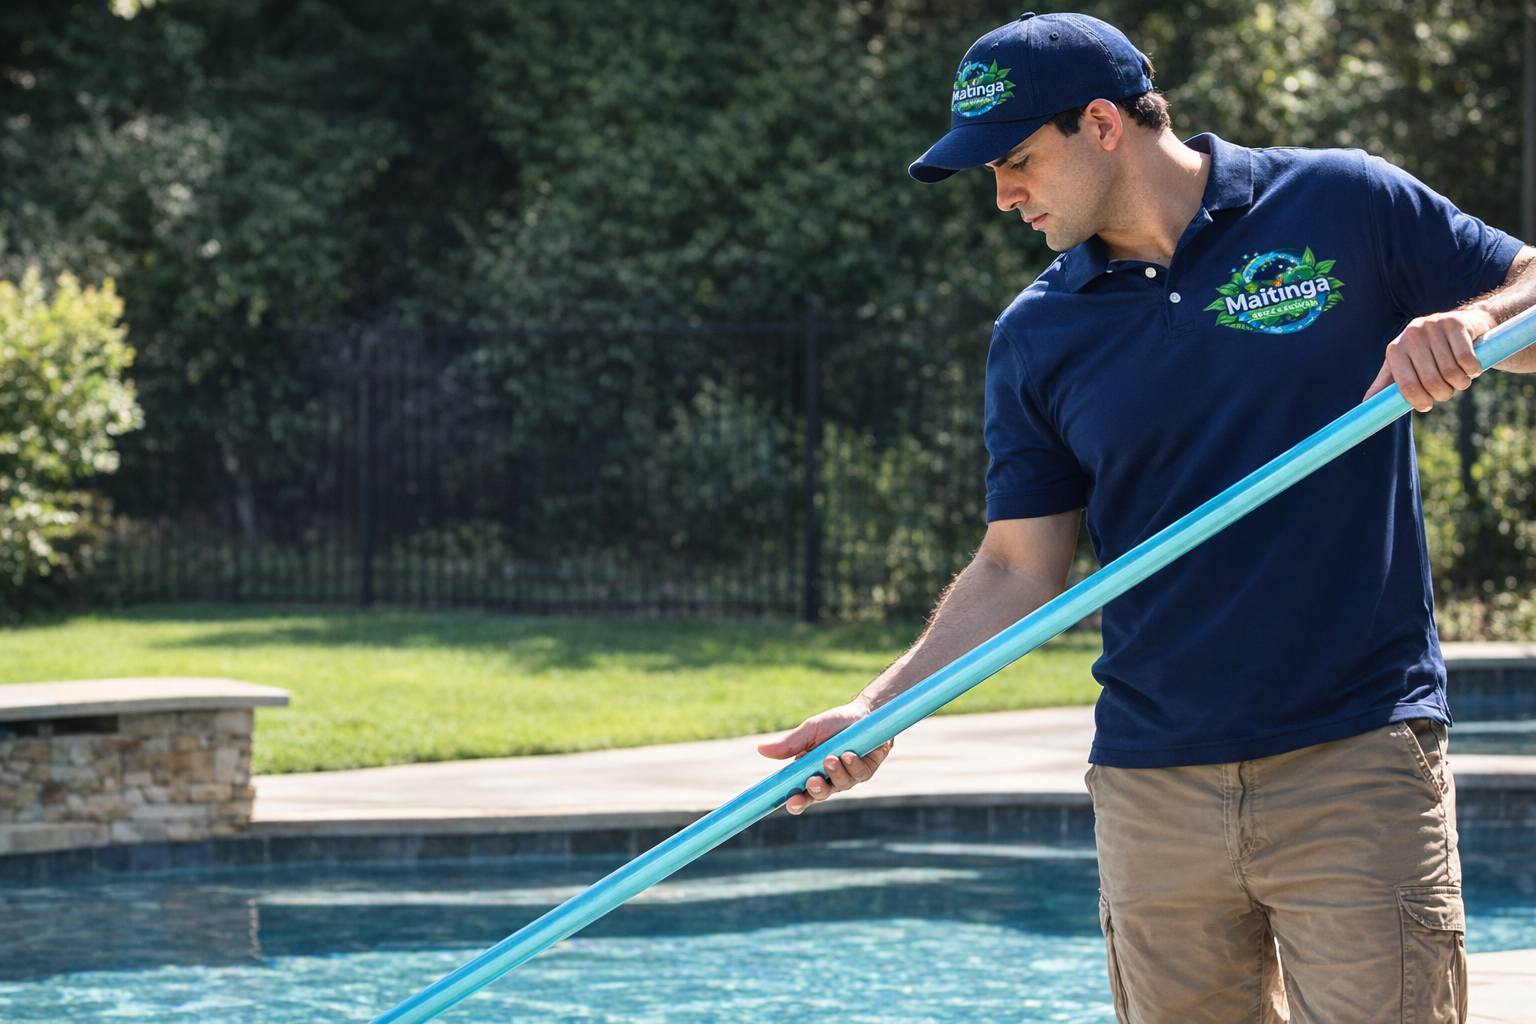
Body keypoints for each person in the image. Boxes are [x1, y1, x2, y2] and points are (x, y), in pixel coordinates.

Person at [755, 11, 1536, 1024]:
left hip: (1354, 757)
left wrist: (1472, 325)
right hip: (1153, 785)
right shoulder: (1038, 337)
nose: (1004, 196)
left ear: (1103, 124)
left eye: (1019, 161)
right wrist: (883, 706)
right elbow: (1016, 568)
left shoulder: (1341, 201)